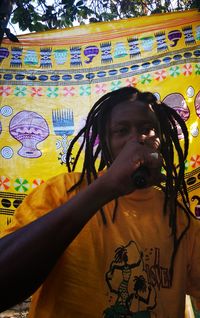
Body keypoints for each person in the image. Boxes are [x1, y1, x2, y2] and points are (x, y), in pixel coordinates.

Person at [0, 86, 200, 317]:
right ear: (105, 141)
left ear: (162, 140)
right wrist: (105, 188)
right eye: (122, 130)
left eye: (148, 129)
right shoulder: (63, 191)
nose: (136, 140)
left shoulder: (178, 218)